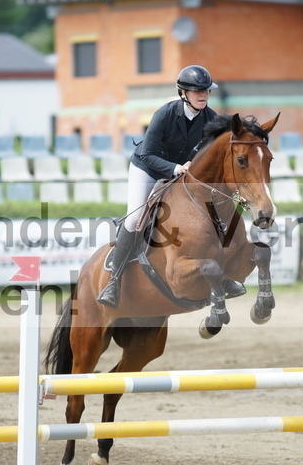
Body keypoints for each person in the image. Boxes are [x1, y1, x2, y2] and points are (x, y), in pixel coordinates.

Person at [97, 65, 235, 308]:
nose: (203, 95)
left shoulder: (212, 119)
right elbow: (149, 154)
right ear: (183, 93)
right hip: (148, 168)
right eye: (196, 91)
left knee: (215, 217)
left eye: (206, 91)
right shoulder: (165, 114)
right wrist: (174, 168)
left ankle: (223, 278)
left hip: (184, 174)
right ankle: (114, 280)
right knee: (135, 218)